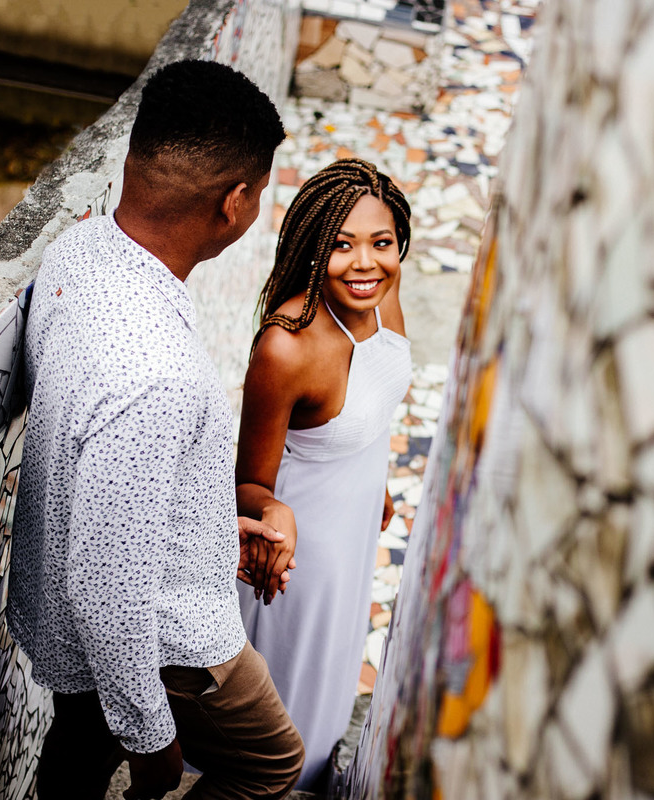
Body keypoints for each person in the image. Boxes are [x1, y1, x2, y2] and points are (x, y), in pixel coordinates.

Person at [8, 59, 304, 800]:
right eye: (261, 195)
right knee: (270, 763)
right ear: (235, 202)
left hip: (67, 623)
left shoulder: (79, 252)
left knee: (74, 756)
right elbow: (107, 585)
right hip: (163, 639)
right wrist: (152, 741)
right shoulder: (158, 375)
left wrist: (208, 525)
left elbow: (103, 462)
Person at [236, 158, 413, 790]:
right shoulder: (286, 346)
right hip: (302, 549)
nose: (365, 263)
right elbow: (248, 483)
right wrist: (273, 519)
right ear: (314, 249)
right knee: (294, 683)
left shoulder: (381, 291)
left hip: (358, 519)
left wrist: (380, 479)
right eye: (342, 246)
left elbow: (379, 391)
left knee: (341, 659)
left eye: (381, 243)